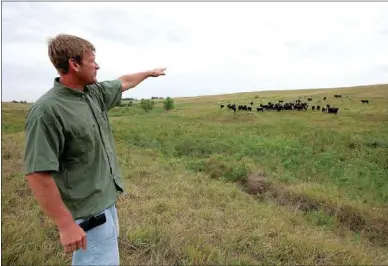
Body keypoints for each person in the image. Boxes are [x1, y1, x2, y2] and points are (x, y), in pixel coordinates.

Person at [23, 34, 166, 265]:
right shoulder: (47, 112)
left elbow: (124, 81)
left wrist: (149, 73)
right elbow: (37, 173)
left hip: (106, 201)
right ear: (74, 64)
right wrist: (65, 224)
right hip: (87, 213)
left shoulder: (93, 93)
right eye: (92, 60)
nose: (97, 65)